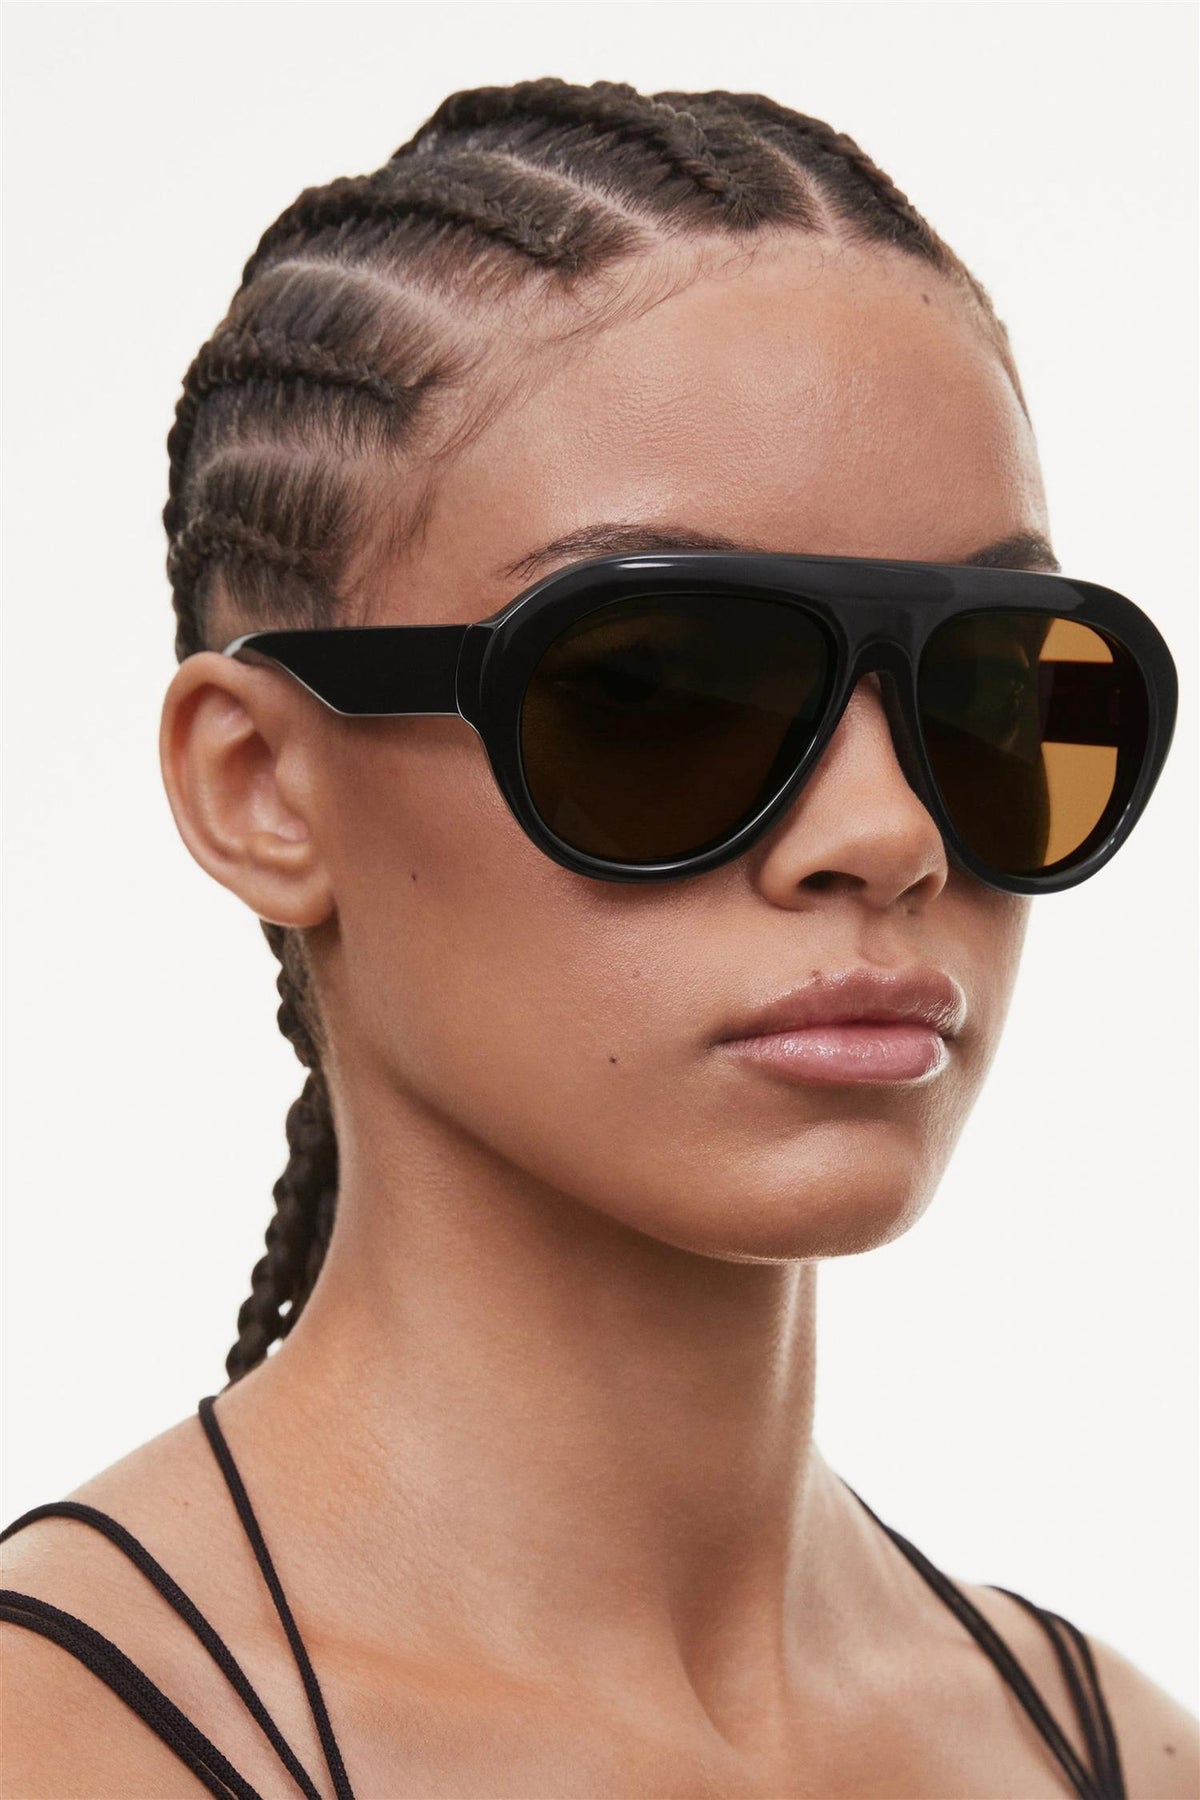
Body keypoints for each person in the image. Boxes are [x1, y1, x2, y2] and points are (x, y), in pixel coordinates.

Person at [1, 76, 1195, 1800]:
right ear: (263, 787)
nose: (891, 834)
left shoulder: (1116, 1751)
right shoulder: (63, 1745)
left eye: (992, 689)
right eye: (657, 689)